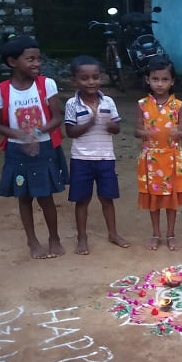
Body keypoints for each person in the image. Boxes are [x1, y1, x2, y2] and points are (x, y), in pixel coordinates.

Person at [0, 35, 67, 259]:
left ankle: (54, 238)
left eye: (38, 59)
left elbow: (56, 117)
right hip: (17, 153)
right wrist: (19, 136)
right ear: (13, 62)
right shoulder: (0, 91)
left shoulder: (46, 84)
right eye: (30, 59)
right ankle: (32, 241)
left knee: (46, 197)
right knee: (24, 197)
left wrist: (37, 133)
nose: (36, 63)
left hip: (44, 149)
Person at [63, 55, 130, 255]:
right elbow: (70, 132)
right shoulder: (72, 104)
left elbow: (117, 128)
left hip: (105, 158)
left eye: (95, 77)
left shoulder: (108, 101)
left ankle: (113, 233)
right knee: (81, 200)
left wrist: (112, 125)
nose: (91, 82)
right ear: (75, 81)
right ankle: (82, 238)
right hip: (81, 159)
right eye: (84, 78)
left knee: (107, 198)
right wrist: (90, 123)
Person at [135, 56, 182, 251]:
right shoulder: (142, 104)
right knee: (154, 199)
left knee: (171, 200)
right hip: (150, 160)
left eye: (165, 79)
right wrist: (144, 132)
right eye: (155, 79)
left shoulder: (178, 106)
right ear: (148, 80)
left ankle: (171, 234)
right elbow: (136, 130)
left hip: (172, 158)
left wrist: (179, 133)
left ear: (172, 81)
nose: (160, 84)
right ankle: (156, 234)